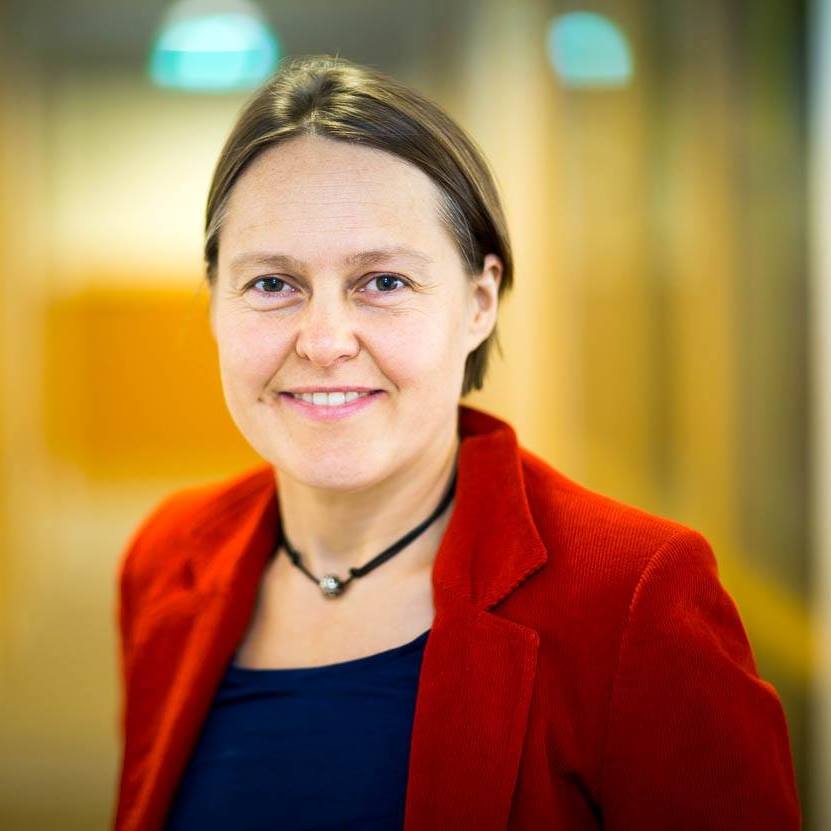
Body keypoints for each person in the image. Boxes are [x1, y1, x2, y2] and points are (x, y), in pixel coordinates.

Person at [112, 55, 801, 831]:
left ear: (478, 304)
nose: (325, 340)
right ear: (214, 307)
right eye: (272, 283)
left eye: (383, 281)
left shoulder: (636, 595)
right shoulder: (167, 556)